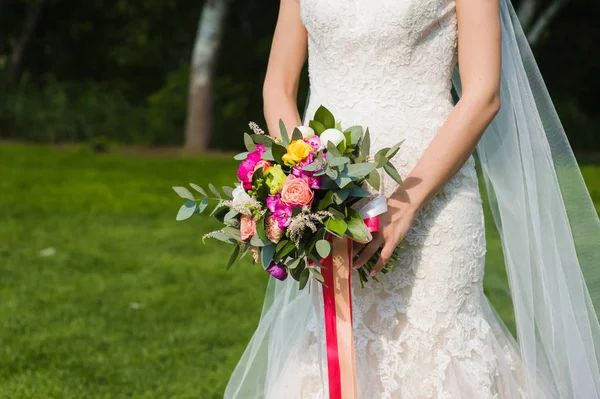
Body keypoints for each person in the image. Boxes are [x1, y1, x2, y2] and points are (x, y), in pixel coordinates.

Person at [225, 0, 600, 397]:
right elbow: (278, 87)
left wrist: (404, 206)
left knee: (436, 350)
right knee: (337, 351)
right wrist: (305, 184)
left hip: (433, 202)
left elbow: (484, 95)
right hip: (331, 204)